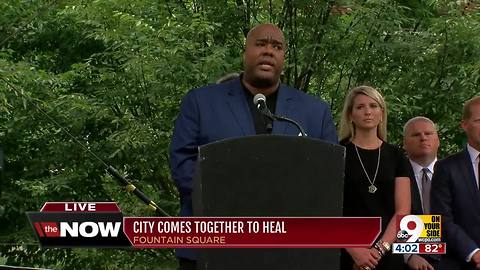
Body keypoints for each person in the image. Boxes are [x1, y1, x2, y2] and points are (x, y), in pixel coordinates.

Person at [169, 23, 338, 268]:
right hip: (214, 244)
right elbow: (182, 162)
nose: (269, 51)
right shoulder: (201, 102)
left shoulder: (314, 111)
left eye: (277, 46)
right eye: (260, 44)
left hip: (292, 251)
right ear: (245, 52)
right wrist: (232, 207)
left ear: (283, 58)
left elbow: (328, 175)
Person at [339, 85, 411, 270]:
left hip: (387, 254)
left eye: (373, 105)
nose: (367, 111)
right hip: (346, 253)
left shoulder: (397, 156)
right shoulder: (336, 154)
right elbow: (325, 208)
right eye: (360, 107)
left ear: (381, 113)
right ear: (350, 115)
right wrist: (354, 249)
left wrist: (379, 250)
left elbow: (402, 210)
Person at [431, 96, 480, 270]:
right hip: (461, 262)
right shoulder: (446, 168)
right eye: (479, 120)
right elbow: (442, 218)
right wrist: (473, 252)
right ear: (464, 125)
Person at [403, 116, 440, 270]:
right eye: (416, 135)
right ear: (404, 144)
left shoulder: (456, 173)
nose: (423, 138)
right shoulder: (396, 177)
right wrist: (408, 255)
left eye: (428, 133)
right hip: (410, 262)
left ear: (438, 140)